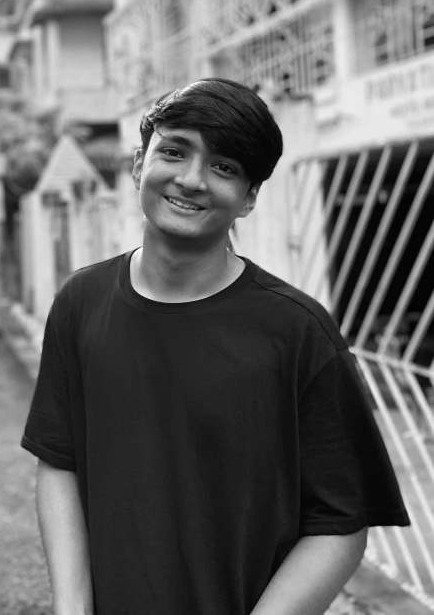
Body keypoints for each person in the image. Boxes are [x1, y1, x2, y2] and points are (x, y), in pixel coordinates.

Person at [21, 78, 409, 615]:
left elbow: (340, 525)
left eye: (224, 167)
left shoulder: (296, 331)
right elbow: (60, 462)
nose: (191, 179)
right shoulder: (80, 302)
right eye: (174, 151)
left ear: (249, 198)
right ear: (139, 164)